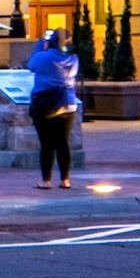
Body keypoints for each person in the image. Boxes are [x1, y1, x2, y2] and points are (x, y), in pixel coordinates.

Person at [25, 28, 80, 190]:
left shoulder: (44, 57)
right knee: (63, 142)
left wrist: (42, 44)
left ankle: (46, 181)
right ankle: (65, 180)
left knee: (47, 144)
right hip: (67, 105)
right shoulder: (73, 59)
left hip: (46, 104)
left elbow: (31, 65)